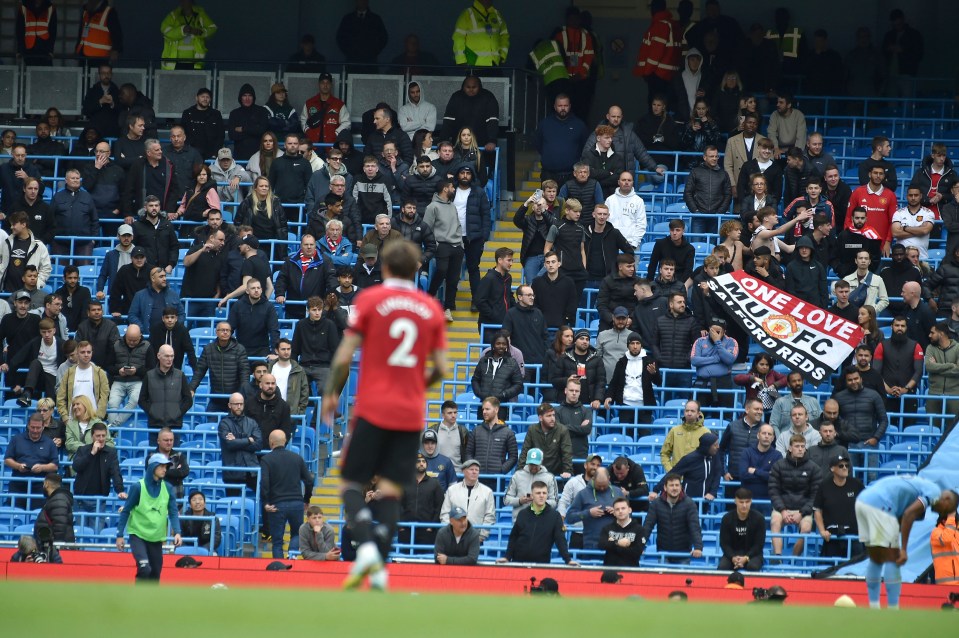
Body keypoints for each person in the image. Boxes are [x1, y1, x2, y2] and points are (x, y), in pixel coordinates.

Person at [321, 239, 446, 589]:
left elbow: (345, 354)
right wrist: (418, 386)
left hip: (373, 406)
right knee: (390, 488)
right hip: (409, 412)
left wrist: (331, 393)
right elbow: (441, 366)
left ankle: (366, 551)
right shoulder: (431, 308)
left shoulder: (369, 300)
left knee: (349, 483)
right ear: (417, 269)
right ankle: (377, 560)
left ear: (385, 268)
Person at [856, 477, 957, 609]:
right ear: (947, 499)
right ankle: (893, 607)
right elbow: (909, 515)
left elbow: (902, 513)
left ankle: (873, 605)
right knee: (895, 557)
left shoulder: (918, 485)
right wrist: (904, 549)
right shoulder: (934, 492)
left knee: (876, 559)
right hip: (881, 505)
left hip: (863, 501)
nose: (940, 513)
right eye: (944, 510)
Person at [116, 453, 182, 582]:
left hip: (156, 538)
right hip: (138, 535)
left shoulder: (168, 488)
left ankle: (149, 600)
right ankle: (137, 596)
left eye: (166, 467)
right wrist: (119, 535)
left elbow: (173, 512)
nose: (165, 469)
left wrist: (177, 532)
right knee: (144, 567)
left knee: (155, 574)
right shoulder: (138, 487)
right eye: (161, 466)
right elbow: (126, 511)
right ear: (152, 467)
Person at [260, 430, 314, 559]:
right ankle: (292, 556)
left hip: (276, 504)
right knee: (296, 534)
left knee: (277, 542)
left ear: (270, 442)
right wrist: (306, 499)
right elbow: (309, 481)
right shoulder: (297, 458)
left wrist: (266, 502)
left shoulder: (266, 459)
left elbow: (265, 483)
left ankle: (279, 570)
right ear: (285, 441)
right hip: (296, 503)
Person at [498, 480, 576, 566]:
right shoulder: (522, 514)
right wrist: (507, 557)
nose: (542, 496)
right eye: (538, 493)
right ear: (532, 495)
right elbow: (514, 538)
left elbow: (560, 540)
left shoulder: (555, 516)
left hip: (541, 565)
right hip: (518, 563)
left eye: (544, 493)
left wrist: (568, 560)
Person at [769, 435, 822, 559]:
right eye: (797, 446)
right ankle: (777, 558)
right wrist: (782, 510)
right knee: (774, 522)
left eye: (802, 446)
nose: (800, 449)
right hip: (782, 507)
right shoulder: (778, 465)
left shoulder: (814, 468)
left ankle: (794, 558)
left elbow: (816, 495)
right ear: (790, 448)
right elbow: (773, 491)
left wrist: (802, 513)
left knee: (806, 528)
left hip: (803, 509)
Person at [644, 473, 704, 564]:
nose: (674, 488)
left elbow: (694, 527)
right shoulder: (656, 504)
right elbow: (647, 526)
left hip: (683, 553)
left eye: (677, 485)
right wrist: (639, 546)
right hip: (663, 552)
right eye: (671, 485)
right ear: (665, 487)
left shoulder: (689, 503)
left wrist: (698, 547)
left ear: (681, 487)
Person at [190, 322, 250, 413]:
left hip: (234, 399)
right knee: (210, 421)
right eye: (222, 330)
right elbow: (199, 371)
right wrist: (191, 388)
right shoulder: (208, 349)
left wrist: (242, 394)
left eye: (227, 330)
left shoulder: (239, 349)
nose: (225, 332)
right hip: (215, 398)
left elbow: (244, 373)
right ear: (216, 332)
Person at [813, 453, 864, 559]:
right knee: (829, 571)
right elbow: (817, 510)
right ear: (832, 468)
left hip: (854, 536)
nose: (845, 468)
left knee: (857, 571)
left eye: (847, 465)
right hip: (832, 536)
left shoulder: (856, 484)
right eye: (841, 466)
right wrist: (822, 531)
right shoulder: (824, 486)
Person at [4, 415, 59, 508]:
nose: (35, 430)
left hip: (40, 485)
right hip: (18, 484)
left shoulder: (49, 443)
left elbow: (55, 466)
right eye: (33, 427)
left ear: (43, 427)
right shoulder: (16, 439)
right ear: (28, 426)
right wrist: (18, 466)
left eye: (38, 428)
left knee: (37, 516)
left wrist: (42, 468)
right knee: (13, 513)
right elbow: (7, 460)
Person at [106, 324, 154, 429]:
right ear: (125, 335)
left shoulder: (147, 346)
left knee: (135, 400)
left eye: (135, 340)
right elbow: (108, 366)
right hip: (118, 380)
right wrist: (118, 371)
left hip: (137, 380)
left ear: (140, 336)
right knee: (112, 402)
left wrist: (137, 371)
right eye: (129, 340)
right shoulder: (116, 345)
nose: (132, 343)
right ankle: (113, 430)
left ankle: (113, 427)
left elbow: (151, 369)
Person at [137, 344, 193, 433]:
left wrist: (177, 413)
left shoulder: (180, 375)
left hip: (175, 425)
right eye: (167, 356)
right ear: (158, 356)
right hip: (155, 425)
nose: (170, 359)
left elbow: (188, 400)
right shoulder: (149, 375)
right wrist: (153, 412)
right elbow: (142, 400)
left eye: (172, 356)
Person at [653, 431, 722, 500]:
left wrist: (712, 492)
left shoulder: (715, 456)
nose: (718, 447)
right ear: (707, 446)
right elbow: (673, 474)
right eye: (715, 445)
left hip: (706, 499)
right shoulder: (689, 459)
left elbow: (717, 474)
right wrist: (656, 490)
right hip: (688, 501)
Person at [440, 459, 496, 542]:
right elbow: (445, 513)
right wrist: (449, 533)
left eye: (476, 470)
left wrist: (482, 536)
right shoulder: (452, 490)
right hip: (453, 538)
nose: (474, 472)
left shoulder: (487, 492)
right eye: (471, 469)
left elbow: (490, 516)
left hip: (476, 538)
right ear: (464, 471)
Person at [218, 393, 262, 495]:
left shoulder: (252, 422)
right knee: (232, 504)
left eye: (241, 404)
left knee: (266, 498)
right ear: (229, 405)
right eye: (236, 404)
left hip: (252, 470)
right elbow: (229, 444)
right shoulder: (224, 423)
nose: (239, 407)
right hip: (232, 472)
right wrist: (248, 440)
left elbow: (259, 445)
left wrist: (237, 441)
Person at [690, 318, 738, 408]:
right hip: (702, 383)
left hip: (723, 383)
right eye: (713, 331)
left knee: (724, 418)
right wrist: (716, 358)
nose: (715, 334)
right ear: (709, 329)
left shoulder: (731, 342)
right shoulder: (700, 341)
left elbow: (729, 359)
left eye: (718, 332)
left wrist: (717, 342)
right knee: (697, 414)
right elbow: (694, 360)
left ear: (724, 332)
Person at [718, 488, 766, 571]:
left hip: (753, 555)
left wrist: (746, 558)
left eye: (747, 502)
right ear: (735, 501)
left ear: (751, 501)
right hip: (732, 555)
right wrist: (732, 557)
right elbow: (724, 543)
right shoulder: (726, 518)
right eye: (741, 502)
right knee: (722, 568)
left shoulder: (759, 519)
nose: (744, 505)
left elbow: (759, 544)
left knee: (753, 567)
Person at [925, 322, 959, 434]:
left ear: (941, 333)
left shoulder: (958, 348)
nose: (929, 335)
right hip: (934, 394)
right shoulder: (930, 348)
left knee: (953, 431)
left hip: (954, 395)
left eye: (932, 332)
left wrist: (937, 368)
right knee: (932, 429)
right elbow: (929, 367)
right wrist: (950, 365)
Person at [474, 247, 514, 340]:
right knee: (490, 353)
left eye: (512, 260)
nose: (511, 263)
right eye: (509, 260)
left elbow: (509, 296)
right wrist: (493, 315)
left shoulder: (508, 278)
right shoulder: (489, 278)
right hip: (489, 326)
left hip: (504, 325)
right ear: (499, 260)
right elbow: (479, 301)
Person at [740, 424, 782, 504]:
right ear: (758, 435)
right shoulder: (747, 452)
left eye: (769, 434)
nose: (766, 436)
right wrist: (766, 475)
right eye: (764, 433)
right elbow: (743, 475)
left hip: (769, 501)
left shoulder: (777, 455)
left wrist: (755, 471)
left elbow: (776, 478)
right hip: (747, 500)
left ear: (773, 438)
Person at [180, 88, 224, 160]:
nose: (205, 99)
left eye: (207, 97)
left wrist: (215, 153)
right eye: (202, 96)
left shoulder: (216, 114)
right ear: (196, 98)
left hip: (210, 154)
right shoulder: (187, 113)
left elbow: (221, 135)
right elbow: (182, 133)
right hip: (191, 153)